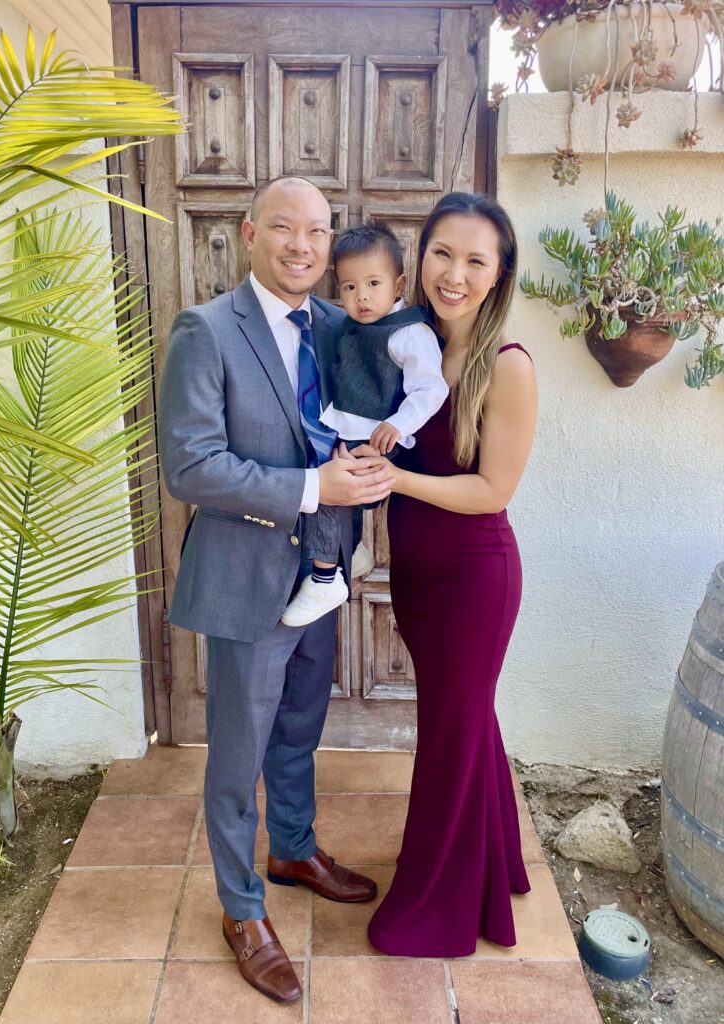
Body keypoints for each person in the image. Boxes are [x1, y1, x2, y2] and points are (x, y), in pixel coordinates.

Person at [158, 176, 395, 1004]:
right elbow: (190, 465)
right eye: (286, 228)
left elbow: (368, 414)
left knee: (299, 728)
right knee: (238, 752)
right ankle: (242, 908)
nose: (303, 245)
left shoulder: (341, 325)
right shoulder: (206, 331)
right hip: (247, 582)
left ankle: (293, 849)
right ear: (250, 232)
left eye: (319, 232)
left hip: (322, 576)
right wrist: (311, 489)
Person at [362, 192, 538, 957]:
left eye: (476, 260)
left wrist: (393, 480)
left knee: (447, 735)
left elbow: (492, 492)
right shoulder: (414, 346)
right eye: (442, 253)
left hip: (473, 583)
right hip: (420, 581)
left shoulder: (507, 366)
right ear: (420, 257)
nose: (454, 274)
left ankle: (436, 906)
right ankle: (495, 864)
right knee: (467, 725)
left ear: (499, 276)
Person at [281, 221, 449, 628]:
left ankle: (325, 576)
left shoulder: (409, 333)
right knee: (316, 473)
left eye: (373, 283)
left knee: (323, 488)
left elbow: (432, 388)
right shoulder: (352, 324)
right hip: (346, 424)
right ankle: (350, 548)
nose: (361, 297)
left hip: (376, 435)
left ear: (399, 284)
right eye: (349, 287)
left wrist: (399, 423)